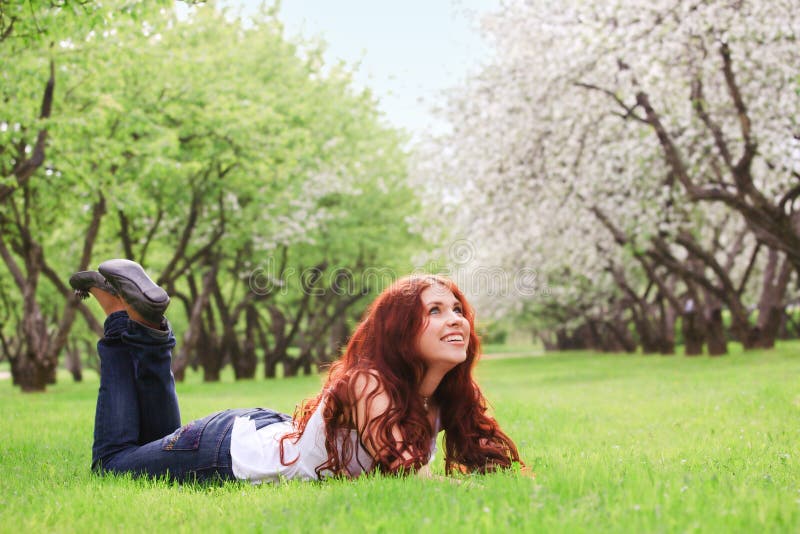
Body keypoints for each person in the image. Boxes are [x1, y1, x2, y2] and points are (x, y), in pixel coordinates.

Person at [71, 259, 522, 483]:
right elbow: (410, 475)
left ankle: (147, 328)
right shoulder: (369, 382)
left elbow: (488, 467)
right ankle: (119, 319)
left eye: (458, 309)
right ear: (401, 330)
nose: (457, 319)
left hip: (266, 429)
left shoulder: (443, 394)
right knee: (113, 464)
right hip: (226, 452)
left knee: (150, 446)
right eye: (437, 311)